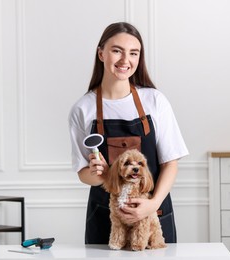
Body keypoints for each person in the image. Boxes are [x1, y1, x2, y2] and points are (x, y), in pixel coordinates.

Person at [68, 22, 188, 244]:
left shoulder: (155, 101)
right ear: (101, 53)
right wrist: (98, 174)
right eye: (117, 51)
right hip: (106, 217)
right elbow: (83, 173)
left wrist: (152, 205)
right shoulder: (83, 109)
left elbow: (171, 163)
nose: (125, 61)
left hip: (154, 213)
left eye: (134, 53)